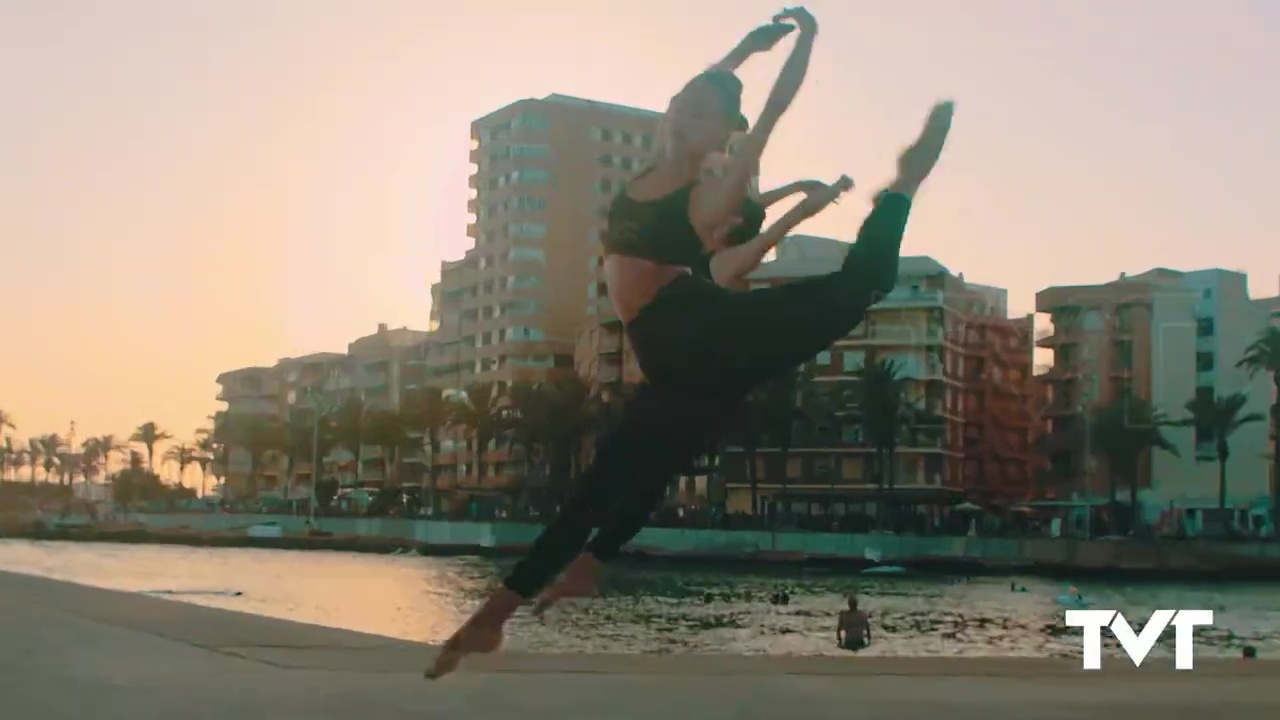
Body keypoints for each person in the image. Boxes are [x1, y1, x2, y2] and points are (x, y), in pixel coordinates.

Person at [427, 5, 954, 679]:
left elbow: (768, 114)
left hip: (700, 330)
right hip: (674, 351)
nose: (683, 115)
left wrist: (806, 44)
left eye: (703, 116)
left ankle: (904, 182)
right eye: (681, 104)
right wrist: (743, 49)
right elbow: (704, 97)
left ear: (721, 137)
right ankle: (506, 610)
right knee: (619, 476)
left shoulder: (714, 186)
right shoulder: (655, 163)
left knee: (862, 282)